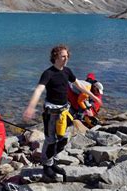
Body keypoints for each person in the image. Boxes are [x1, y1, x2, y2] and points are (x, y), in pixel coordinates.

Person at [23, 45, 100, 180]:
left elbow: (79, 85)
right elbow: (39, 90)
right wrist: (31, 106)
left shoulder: (67, 71)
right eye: (63, 56)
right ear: (55, 57)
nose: (66, 59)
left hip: (64, 111)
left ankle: (50, 161)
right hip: (51, 113)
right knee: (51, 140)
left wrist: (92, 96)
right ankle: (47, 166)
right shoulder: (48, 73)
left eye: (67, 56)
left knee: (63, 139)